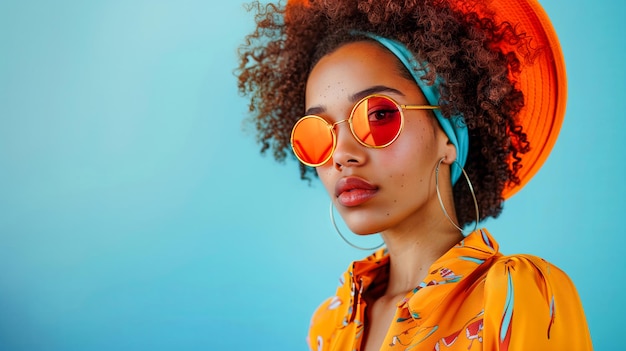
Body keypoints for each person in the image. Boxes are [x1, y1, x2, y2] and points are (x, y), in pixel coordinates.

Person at [236, 0, 593, 349]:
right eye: (319, 134)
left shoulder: (516, 294)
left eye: (378, 115)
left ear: (447, 136)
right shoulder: (330, 327)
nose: (342, 155)